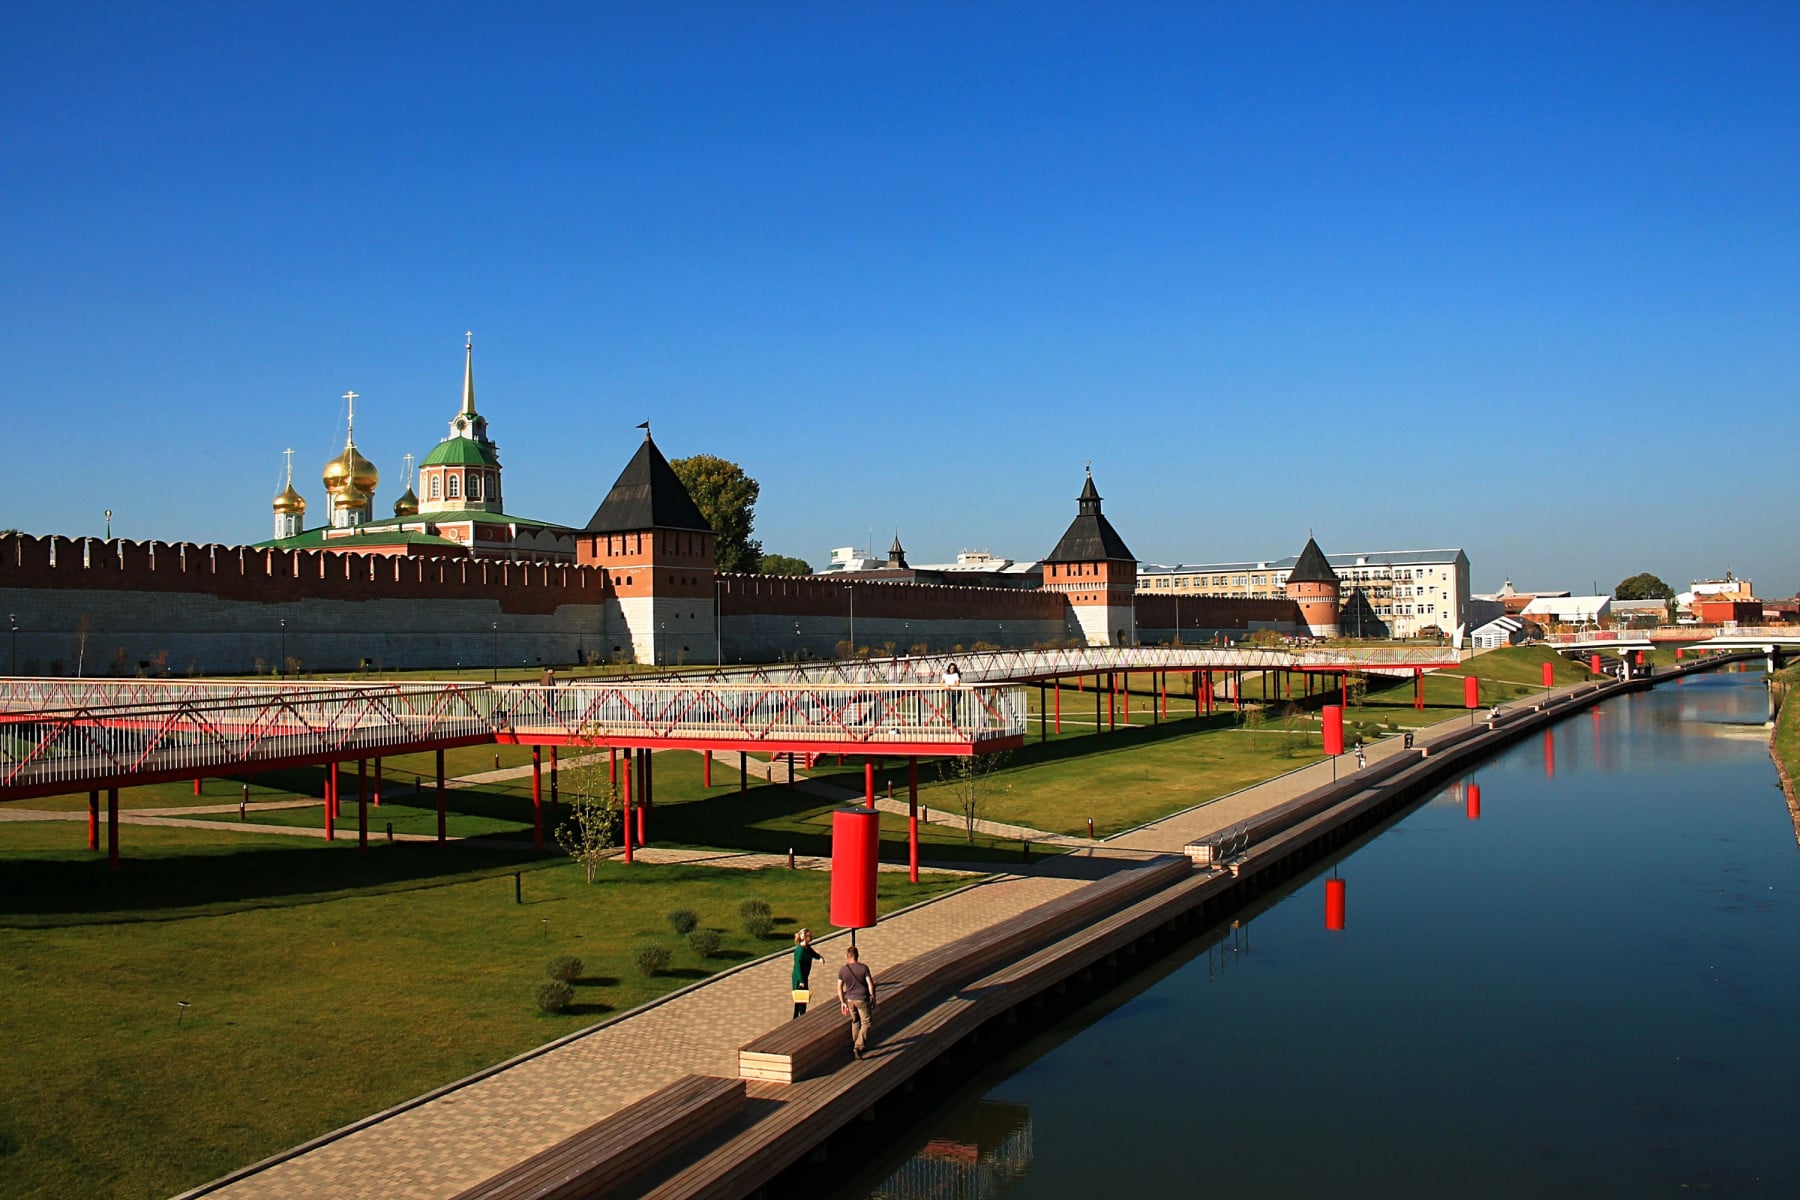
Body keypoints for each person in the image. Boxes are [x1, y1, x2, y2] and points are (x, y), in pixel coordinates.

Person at [837, 944, 877, 1059]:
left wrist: (842, 1001)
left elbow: (839, 987)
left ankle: (856, 1043)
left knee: (855, 1021)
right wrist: (874, 999)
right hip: (862, 999)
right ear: (857, 955)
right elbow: (870, 984)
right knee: (867, 1022)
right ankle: (859, 1046)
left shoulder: (843, 970)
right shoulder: (863, 968)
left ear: (847, 956)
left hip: (850, 1000)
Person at [791, 929, 823, 1019]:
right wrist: (801, 981)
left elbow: (813, 954)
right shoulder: (800, 951)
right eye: (809, 935)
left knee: (798, 1003)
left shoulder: (807, 947)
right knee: (801, 1003)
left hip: (804, 978)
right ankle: (801, 1020)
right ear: (805, 937)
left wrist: (820, 957)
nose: (811, 937)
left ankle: (796, 1019)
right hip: (799, 980)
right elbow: (798, 966)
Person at [943, 661, 962, 726]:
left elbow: (957, 684)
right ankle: (954, 721)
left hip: (957, 693)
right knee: (951, 707)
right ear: (949, 668)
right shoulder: (945, 675)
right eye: (951, 668)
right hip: (950, 692)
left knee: (953, 706)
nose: (952, 670)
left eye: (953, 668)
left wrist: (950, 686)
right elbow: (941, 683)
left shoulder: (956, 675)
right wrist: (945, 685)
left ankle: (954, 721)